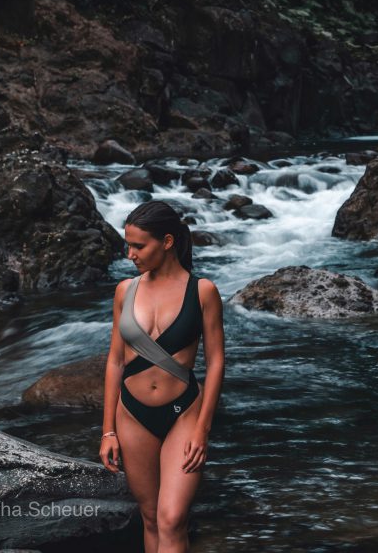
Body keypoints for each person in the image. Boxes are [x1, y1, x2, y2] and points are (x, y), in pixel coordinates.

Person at [100, 199, 225, 553]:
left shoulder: (202, 292)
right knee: (151, 517)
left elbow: (216, 363)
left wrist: (202, 429)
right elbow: (114, 362)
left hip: (183, 413)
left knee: (172, 519)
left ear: (167, 242)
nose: (131, 254)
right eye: (128, 244)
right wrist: (108, 430)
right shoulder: (125, 290)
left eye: (139, 245)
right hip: (132, 415)